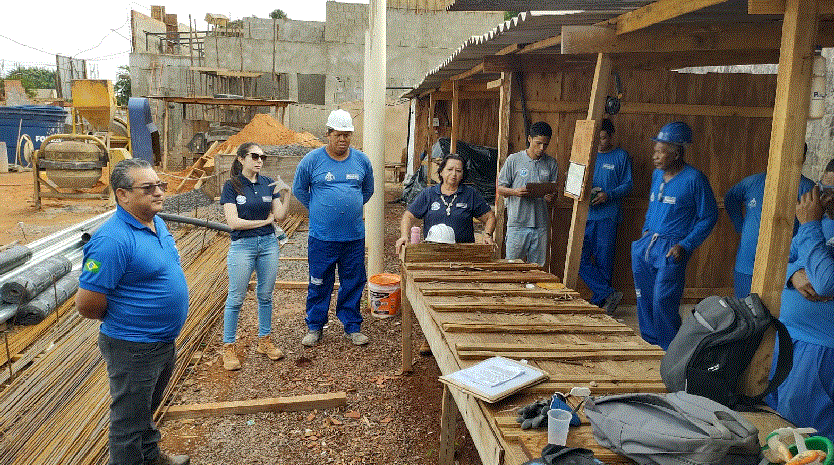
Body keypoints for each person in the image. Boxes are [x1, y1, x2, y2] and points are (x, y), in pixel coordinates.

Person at [76, 159, 189, 465]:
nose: (159, 193)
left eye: (160, 185)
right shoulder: (111, 240)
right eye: (148, 187)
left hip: (162, 341)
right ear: (122, 195)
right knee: (127, 422)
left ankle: (151, 458)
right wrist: (129, 318)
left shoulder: (156, 221)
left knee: (145, 409)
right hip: (134, 346)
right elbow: (86, 304)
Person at [631, 121, 718, 350]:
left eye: (661, 152)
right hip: (647, 245)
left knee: (663, 301)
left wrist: (685, 245)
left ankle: (671, 350)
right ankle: (650, 345)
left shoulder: (694, 179)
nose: (655, 156)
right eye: (655, 151)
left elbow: (709, 216)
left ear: (677, 152)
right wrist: (645, 232)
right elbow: (651, 208)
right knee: (644, 298)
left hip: (673, 248)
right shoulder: (657, 176)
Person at [293, 109, 374, 347]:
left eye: (347, 135)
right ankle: (315, 326)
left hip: (353, 238)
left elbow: (367, 191)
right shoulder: (312, 160)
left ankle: (352, 326)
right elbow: (299, 190)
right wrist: (319, 208)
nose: (343, 139)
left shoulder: (361, 161)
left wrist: (350, 205)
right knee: (319, 281)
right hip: (322, 237)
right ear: (328, 134)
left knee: (353, 281)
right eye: (338, 134)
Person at [769, 178, 834, 441]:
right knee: (785, 423)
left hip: (821, 347)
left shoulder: (814, 224)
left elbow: (826, 282)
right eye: (823, 188)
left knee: (812, 434)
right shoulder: (825, 222)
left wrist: (808, 225)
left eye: (831, 191)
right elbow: (782, 259)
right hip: (789, 338)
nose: (824, 198)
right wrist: (793, 274)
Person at [219, 142, 290, 371]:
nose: (260, 160)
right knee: (236, 298)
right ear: (241, 159)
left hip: (269, 245)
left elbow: (279, 216)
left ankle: (265, 341)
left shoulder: (269, 182)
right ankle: (228, 347)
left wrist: (286, 194)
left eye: (263, 157)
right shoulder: (232, 186)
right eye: (255, 156)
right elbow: (233, 223)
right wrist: (264, 222)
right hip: (243, 246)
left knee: (266, 295)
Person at [725, 146, 814, 298]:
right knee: (744, 313)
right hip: (747, 265)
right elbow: (730, 198)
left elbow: (812, 228)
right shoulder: (752, 183)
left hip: (783, 268)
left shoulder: (807, 188)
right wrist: (739, 225)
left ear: (803, 158)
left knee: (773, 317)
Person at [579, 119, 633, 314]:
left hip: (608, 217)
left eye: (603, 137)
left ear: (611, 137)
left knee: (604, 262)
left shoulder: (621, 156)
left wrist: (608, 194)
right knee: (579, 260)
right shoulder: (586, 155)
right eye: (596, 138)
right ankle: (608, 293)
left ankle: (601, 304)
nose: (599, 142)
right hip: (585, 216)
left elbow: (628, 185)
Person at [395, 153, 495, 254]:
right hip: (432, 252)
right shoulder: (429, 193)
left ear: (463, 175)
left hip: (463, 253)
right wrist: (404, 236)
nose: (454, 174)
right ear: (441, 171)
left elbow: (489, 217)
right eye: (450, 169)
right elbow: (408, 216)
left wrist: (487, 235)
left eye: (458, 171)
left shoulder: (470, 194)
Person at [496, 121, 559, 266]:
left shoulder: (551, 163)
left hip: (541, 225)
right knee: (512, 267)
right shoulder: (514, 160)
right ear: (529, 139)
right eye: (538, 143)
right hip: (517, 224)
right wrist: (514, 192)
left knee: (537, 269)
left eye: (545, 144)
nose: (542, 148)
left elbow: (554, 193)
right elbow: (500, 188)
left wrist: (551, 196)